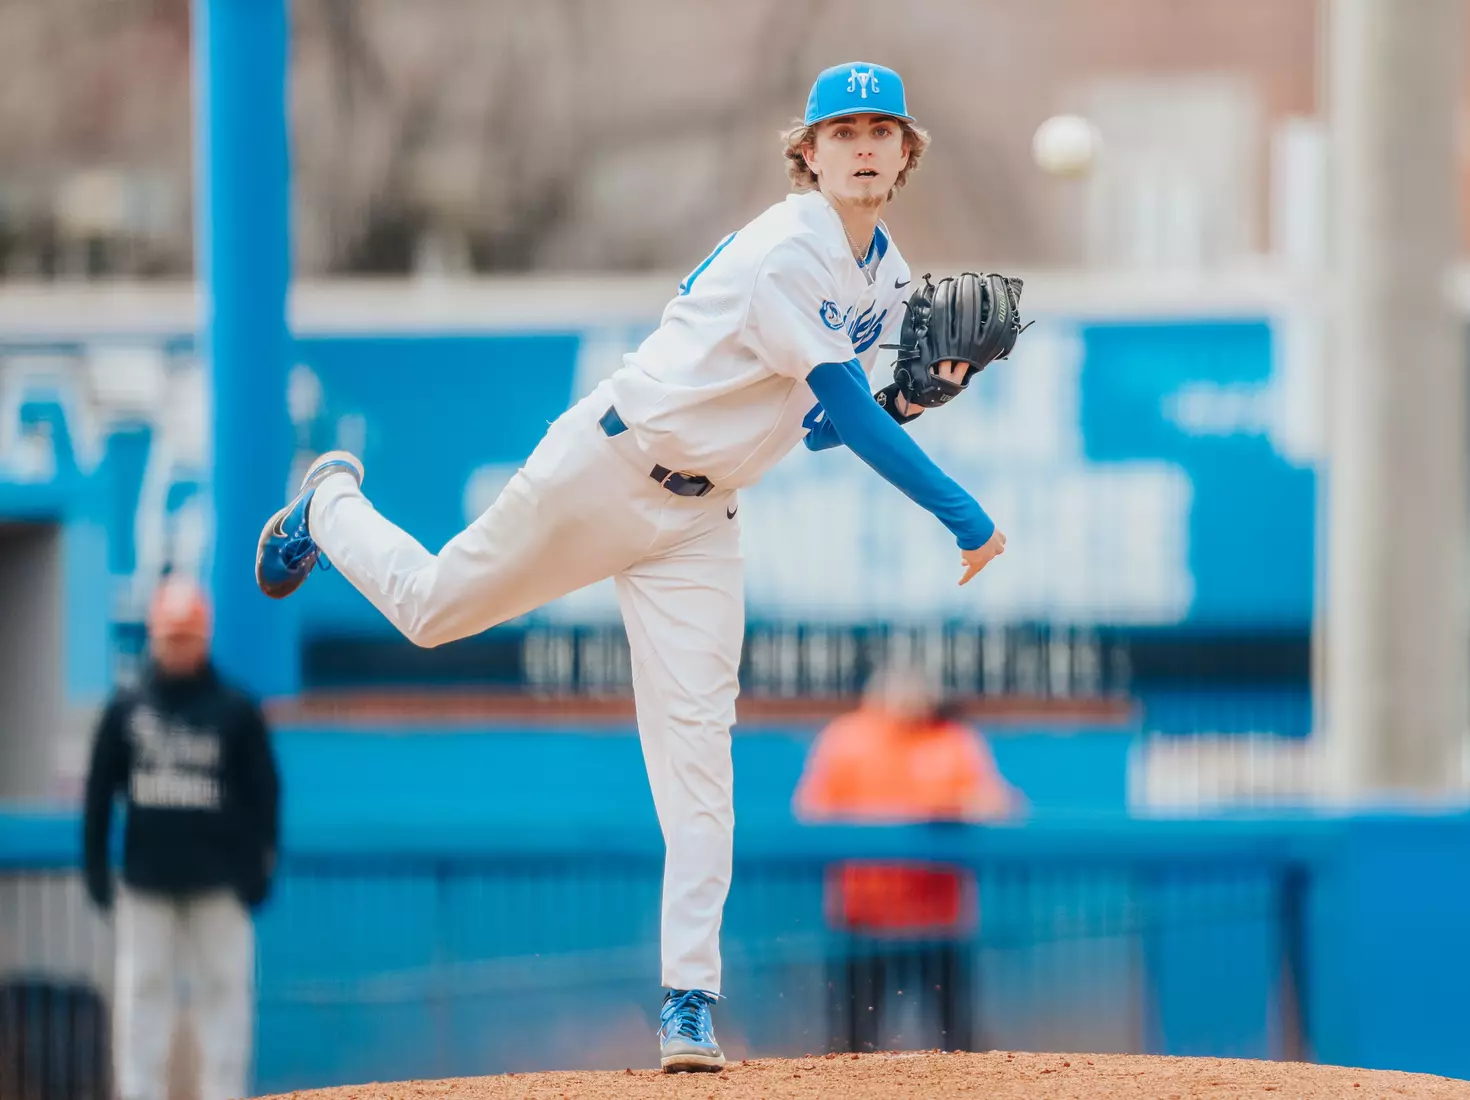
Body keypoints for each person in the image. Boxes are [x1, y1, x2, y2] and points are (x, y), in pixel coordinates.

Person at [253, 61, 1012, 1073]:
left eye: (882, 128)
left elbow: (829, 427)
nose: (864, 143)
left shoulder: (886, 273)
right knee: (433, 609)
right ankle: (330, 504)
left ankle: (688, 1002)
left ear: (908, 151)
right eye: (843, 130)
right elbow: (854, 412)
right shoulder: (791, 248)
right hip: (608, 466)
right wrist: (962, 514)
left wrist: (922, 395)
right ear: (809, 152)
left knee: (701, 766)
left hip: (700, 523)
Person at [82, 576, 281, 1100]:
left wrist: (260, 866)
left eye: (186, 637)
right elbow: (100, 791)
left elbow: (265, 794)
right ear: (153, 637)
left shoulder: (235, 711)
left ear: (205, 637)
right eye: (169, 637)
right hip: (146, 883)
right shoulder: (127, 708)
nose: (177, 648)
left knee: (225, 1000)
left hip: (218, 884)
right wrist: (96, 868)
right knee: (142, 1000)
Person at [793, 656, 1019, 1053]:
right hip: (863, 921)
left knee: (957, 1042)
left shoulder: (951, 739)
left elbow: (999, 805)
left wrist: (953, 808)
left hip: (939, 923)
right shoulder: (848, 738)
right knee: (851, 1042)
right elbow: (812, 812)